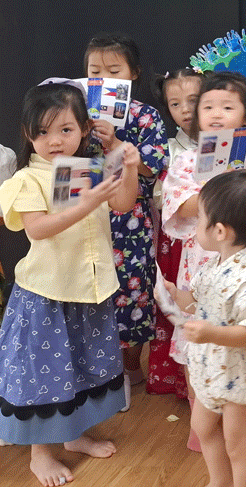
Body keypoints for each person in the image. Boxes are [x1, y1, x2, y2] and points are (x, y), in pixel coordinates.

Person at [0, 83, 140, 487]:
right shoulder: (27, 179)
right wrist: (86, 203)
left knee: (82, 367)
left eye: (65, 129)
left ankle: (74, 434)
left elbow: (123, 203)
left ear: (84, 129)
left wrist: (129, 167)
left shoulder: (90, 168)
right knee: (44, 376)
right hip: (47, 294)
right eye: (42, 132)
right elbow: (39, 229)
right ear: (28, 135)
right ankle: (40, 454)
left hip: (89, 289)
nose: (54, 141)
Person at [161, 72, 246, 447]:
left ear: (245, 116)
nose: (216, 114)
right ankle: (204, 427)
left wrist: (236, 189)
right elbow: (177, 204)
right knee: (199, 343)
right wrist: (228, 190)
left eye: (227, 107)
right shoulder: (187, 159)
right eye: (208, 106)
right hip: (200, 265)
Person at [165, 170, 246, 487]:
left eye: (199, 219)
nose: (195, 226)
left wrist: (211, 334)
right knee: (202, 427)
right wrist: (176, 295)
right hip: (211, 370)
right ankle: (219, 481)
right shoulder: (213, 264)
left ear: (219, 231)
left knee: (237, 446)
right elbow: (198, 302)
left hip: (240, 377)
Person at [83, 34, 169, 403]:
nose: (103, 77)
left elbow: (155, 165)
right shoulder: (76, 113)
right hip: (86, 216)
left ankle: (132, 365)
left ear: (133, 73)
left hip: (132, 221)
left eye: (114, 70)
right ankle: (96, 370)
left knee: (134, 291)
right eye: (95, 71)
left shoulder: (145, 115)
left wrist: (117, 144)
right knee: (89, 292)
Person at [147, 67, 203, 397]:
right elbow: (159, 196)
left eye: (194, 100)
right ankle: (184, 381)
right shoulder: (167, 148)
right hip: (179, 240)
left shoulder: (231, 142)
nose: (185, 110)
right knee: (180, 304)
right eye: (175, 104)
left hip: (221, 237)